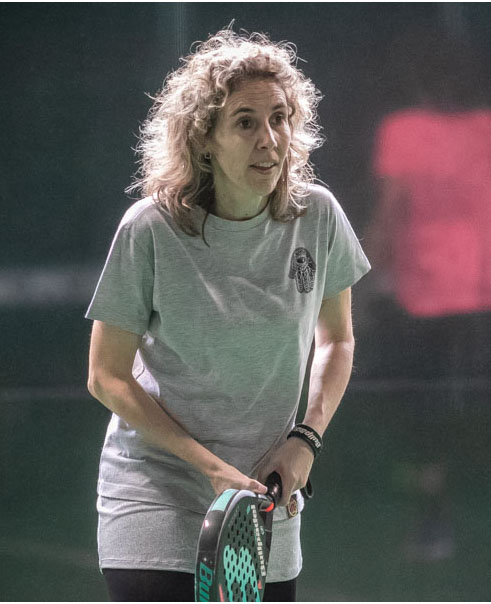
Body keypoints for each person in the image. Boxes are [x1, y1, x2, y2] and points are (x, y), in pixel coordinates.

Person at [85, 29, 370, 602]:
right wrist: (210, 467)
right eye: (245, 122)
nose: (269, 139)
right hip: (155, 492)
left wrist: (305, 439)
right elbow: (106, 376)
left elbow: (337, 340)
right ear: (204, 140)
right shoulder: (149, 229)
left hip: (265, 497)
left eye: (280, 118)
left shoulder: (318, 216)